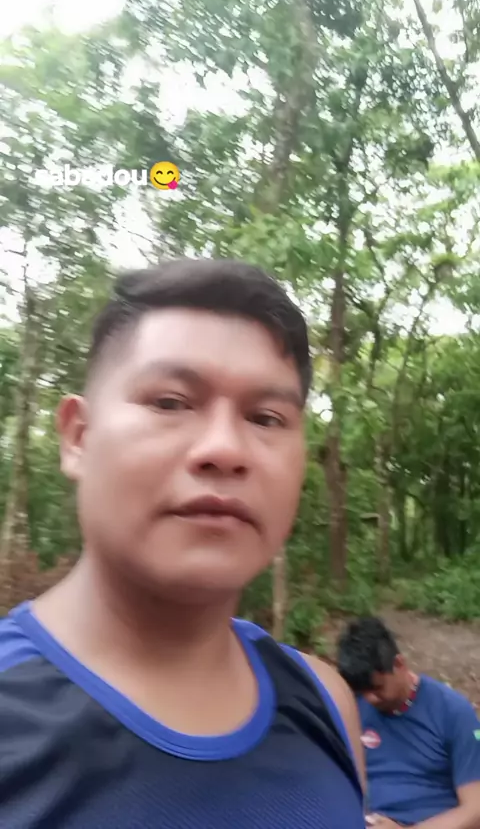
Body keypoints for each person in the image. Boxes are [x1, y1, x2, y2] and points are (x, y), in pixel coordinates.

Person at [0, 259, 366, 828]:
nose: (225, 449)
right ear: (78, 437)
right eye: (170, 403)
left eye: (266, 418)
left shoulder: (325, 702)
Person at [337, 616, 480, 829]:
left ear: (399, 664)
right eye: (362, 691)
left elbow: (475, 810)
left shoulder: (452, 712)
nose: (370, 699)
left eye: (377, 688)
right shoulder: (351, 707)